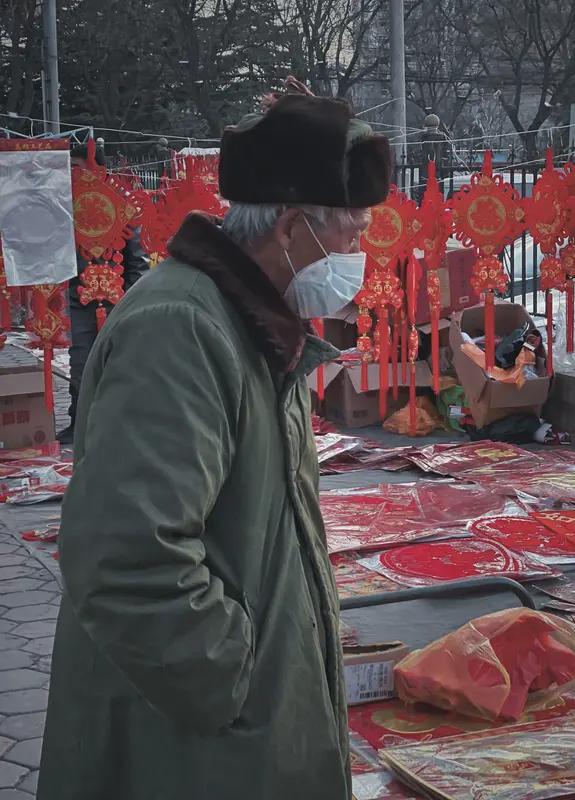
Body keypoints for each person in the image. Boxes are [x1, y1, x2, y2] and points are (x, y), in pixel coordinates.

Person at [38, 90, 391, 799]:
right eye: (352, 236)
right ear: (293, 228)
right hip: (189, 744)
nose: (359, 257)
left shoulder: (259, 326)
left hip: (233, 734)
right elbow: (128, 557)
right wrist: (235, 680)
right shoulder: (183, 328)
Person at [58, 142, 150, 445]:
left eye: (79, 166)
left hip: (117, 302)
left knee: (120, 361)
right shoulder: (62, 207)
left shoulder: (120, 206)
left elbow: (137, 260)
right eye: (70, 167)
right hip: (77, 298)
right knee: (81, 361)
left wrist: (134, 302)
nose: (75, 173)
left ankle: (121, 423)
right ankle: (79, 422)